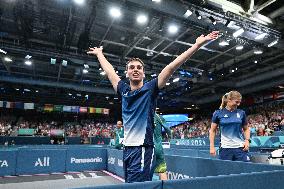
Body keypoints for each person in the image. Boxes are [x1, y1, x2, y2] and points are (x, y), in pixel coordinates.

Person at [87, 31, 219, 183]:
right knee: (130, 185)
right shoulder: (123, 90)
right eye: (131, 67)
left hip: (143, 148)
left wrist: (196, 45)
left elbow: (170, 68)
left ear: (143, 73)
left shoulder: (150, 89)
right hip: (127, 149)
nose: (135, 69)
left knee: (139, 186)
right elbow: (110, 72)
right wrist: (99, 54)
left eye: (139, 67)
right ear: (127, 73)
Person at [209, 91, 251, 162]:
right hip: (225, 149)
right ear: (229, 100)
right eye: (237, 102)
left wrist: (247, 141)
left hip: (240, 148)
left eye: (239, 102)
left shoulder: (241, 113)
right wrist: (211, 146)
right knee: (226, 172)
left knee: (245, 170)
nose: (238, 104)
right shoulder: (218, 113)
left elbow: (246, 129)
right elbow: (212, 131)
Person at [153, 113, 171, 180]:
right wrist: (170, 138)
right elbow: (168, 129)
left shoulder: (143, 115)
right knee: (162, 170)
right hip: (158, 147)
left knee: (146, 171)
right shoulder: (158, 117)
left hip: (147, 148)